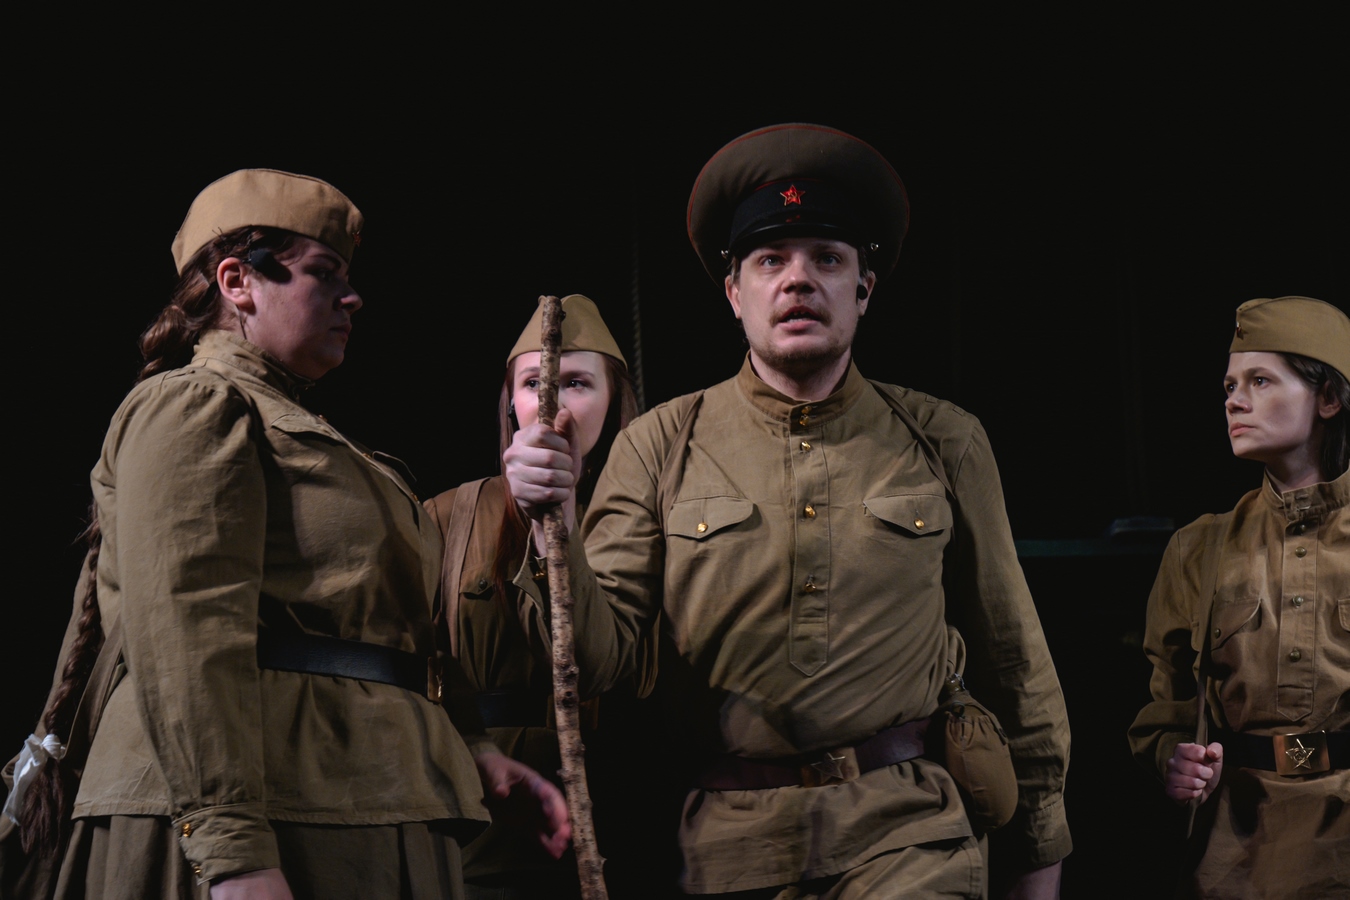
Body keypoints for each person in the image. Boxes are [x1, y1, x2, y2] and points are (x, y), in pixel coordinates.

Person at [504, 124, 1071, 898]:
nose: (798, 279)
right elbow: (601, 663)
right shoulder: (658, 444)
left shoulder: (944, 439)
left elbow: (1015, 665)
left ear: (864, 290)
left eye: (828, 259)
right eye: (770, 260)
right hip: (729, 847)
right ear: (734, 295)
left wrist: (1039, 858)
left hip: (911, 833)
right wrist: (558, 528)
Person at [3, 169, 566, 900]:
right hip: (263, 815)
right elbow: (184, 632)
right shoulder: (194, 406)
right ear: (237, 282)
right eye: (324, 274)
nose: (351, 298)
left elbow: (398, 633)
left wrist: (478, 755)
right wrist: (231, 847)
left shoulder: (332, 445)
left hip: (362, 802)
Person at [1128, 295, 1350, 897]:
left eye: (1260, 380)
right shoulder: (1198, 548)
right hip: (1238, 852)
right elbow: (1167, 710)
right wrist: (1175, 758)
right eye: (1230, 385)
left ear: (1328, 398)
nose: (1234, 399)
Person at [423, 294, 642, 899]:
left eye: (576, 384)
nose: (552, 404)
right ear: (510, 403)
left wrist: (561, 524)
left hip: (624, 815)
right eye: (533, 385)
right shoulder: (448, 516)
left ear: (615, 402)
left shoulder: (644, 518)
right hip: (482, 829)